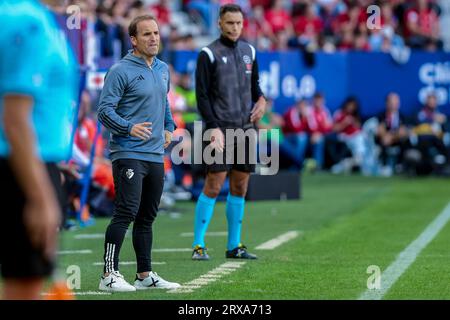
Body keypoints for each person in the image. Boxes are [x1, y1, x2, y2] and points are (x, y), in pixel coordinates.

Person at [0, 0, 78, 299]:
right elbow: (15, 118)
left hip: (27, 160)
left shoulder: (30, 16)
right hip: (20, 164)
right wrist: (40, 195)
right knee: (24, 285)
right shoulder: (27, 20)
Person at [97, 15, 180, 292]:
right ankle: (109, 274)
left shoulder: (162, 68)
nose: (154, 38)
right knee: (125, 212)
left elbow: (164, 102)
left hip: (155, 154)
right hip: (127, 152)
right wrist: (129, 128)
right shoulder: (120, 70)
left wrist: (169, 126)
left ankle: (144, 274)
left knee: (147, 217)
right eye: (146, 34)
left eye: (156, 33)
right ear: (133, 40)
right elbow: (104, 111)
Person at [192, 4, 266, 260]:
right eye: (230, 23)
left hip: (246, 129)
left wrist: (262, 100)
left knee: (240, 185)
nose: (235, 27)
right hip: (219, 130)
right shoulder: (208, 54)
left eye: (239, 23)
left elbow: (255, 87)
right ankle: (198, 245)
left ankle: (234, 246)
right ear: (219, 24)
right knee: (214, 184)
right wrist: (212, 128)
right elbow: (201, 96)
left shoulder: (250, 51)